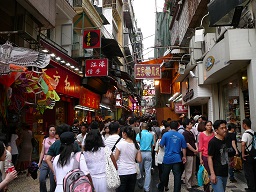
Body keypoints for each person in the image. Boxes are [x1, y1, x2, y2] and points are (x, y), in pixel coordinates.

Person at [157, 121, 187, 192]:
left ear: (170, 127)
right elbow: (184, 148)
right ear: (177, 127)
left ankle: (161, 188)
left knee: (164, 175)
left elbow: (161, 145)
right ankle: (176, 190)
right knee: (177, 176)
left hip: (167, 158)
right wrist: (184, 156)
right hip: (177, 158)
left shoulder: (165, 135)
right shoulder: (181, 136)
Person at [115, 126, 142, 192]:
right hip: (133, 171)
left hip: (122, 171)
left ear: (125, 134)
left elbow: (115, 158)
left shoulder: (120, 144)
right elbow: (139, 160)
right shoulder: (137, 145)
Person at [208, 120, 229, 192]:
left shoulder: (226, 140)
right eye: (222, 128)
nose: (225, 130)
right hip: (216, 173)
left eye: (225, 127)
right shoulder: (213, 142)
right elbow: (209, 157)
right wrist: (212, 174)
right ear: (216, 130)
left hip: (225, 171)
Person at [136, 122, 154, 192]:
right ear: (147, 128)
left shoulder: (139, 134)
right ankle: (146, 188)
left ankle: (140, 183)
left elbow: (137, 144)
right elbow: (152, 145)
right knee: (148, 171)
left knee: (140, 170)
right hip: (148, 153)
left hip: (140, 153)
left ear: (141, 127)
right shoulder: (151, 135)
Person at [38, 125, 56, 192]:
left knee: (52, 181)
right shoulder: (45, 140)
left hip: (53, 161)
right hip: (45, 161)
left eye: (54, 130)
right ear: (48, 131)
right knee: (41, 179)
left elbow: (57, 151)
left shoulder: (56, 141)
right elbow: (42, 152)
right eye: (51, 130)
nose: (52, 132)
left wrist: (52, 146)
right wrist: (39, 162)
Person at [198, 121, 214, 192]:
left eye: (210, 125)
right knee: (206, 174)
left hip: (213, 156)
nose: (209, 127)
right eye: (208, 125)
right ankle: (207, 190)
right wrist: (200, 158)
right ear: (205, 126)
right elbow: (200, 147)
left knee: (213, 172)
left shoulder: (214, 134)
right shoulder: (201, 134)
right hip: (205, 155)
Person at [182, 118, 198, 190]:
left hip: (193, 153)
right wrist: (194, 150)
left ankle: (193, 183)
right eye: (190, 124)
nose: (191, 125)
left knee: (193, 169)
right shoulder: (185, 133)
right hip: (189, 154)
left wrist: (196, 149)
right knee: (189, 170)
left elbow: (195, 142)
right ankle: (188, 185)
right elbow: (187, 144)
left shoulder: (191, 132)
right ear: (186, 125)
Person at [241, 118, 256, 192]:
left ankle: (251, 188)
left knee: (248, 172)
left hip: (248, 155)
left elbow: (243, 144)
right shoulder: (253, 132)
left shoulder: (245, 134)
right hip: (254, 154)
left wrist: (243, 154)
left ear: (245, 125)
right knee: (253, 171)